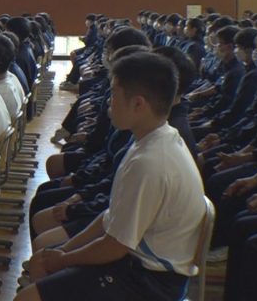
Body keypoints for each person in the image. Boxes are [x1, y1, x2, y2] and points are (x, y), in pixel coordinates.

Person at [16, 52, 205, 301]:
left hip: (150, 282)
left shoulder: (151, 162)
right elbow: (111, 217)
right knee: (44, 263)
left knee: (27, 298)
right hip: (134, 262)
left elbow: (115, 246)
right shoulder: (152, 140)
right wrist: (63, 251)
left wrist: (63, 260)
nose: (108, 102)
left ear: (138, 104)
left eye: (114, 94)